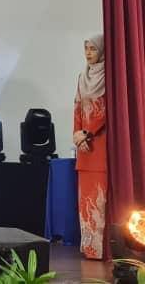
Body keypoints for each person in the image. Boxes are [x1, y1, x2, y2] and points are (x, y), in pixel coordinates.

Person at [74, 34, 107, 259]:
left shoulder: (109, 77)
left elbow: (106, 112)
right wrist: (77, 135)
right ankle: (89, 248)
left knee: (99, 200)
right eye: (86, 48)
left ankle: (101, 249)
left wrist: (88, 133)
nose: (88, 53)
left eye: (93, 49)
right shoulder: (82, 77)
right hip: (84, 147)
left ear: (102, 51)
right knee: (85, 201)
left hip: (99, 145)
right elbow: (77, 108)